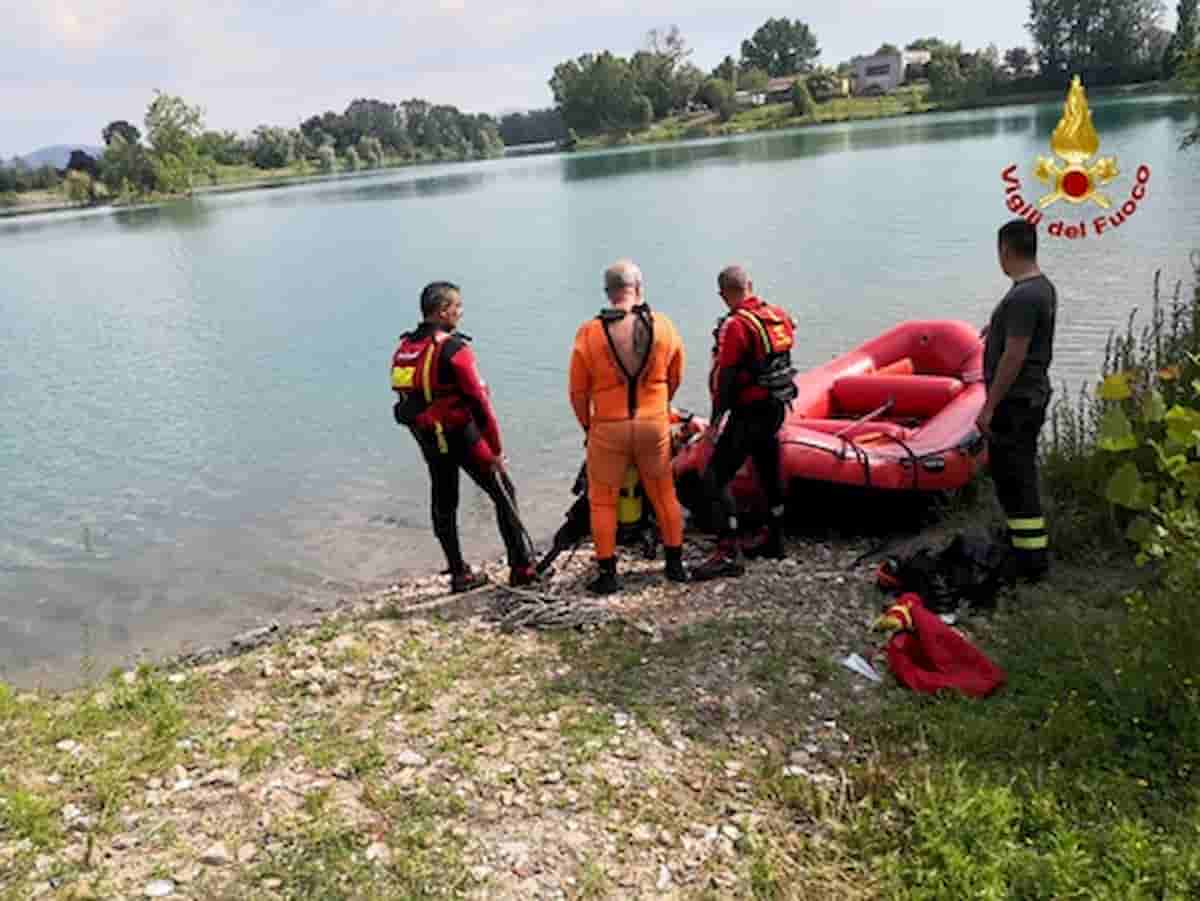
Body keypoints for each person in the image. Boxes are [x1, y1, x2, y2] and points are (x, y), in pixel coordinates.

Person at [390, 281, 536, 592]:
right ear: (443, 311)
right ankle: (521, 568)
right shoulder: (453, 348)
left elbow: (407, 399)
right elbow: (480, 403)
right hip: (461, 434)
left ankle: (459, 574)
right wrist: (495, 449)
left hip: (429, 437)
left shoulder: (405, 348)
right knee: (503, 491)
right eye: (457, 306)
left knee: (444, 500)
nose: (461, 312)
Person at [568, 260, 690, 594]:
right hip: (653, 423)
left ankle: (608, 574)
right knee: (664, 494)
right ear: (639, 287)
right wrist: (661, 404)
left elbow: (577, 393)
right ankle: (675, 566)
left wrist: (589, 428)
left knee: (603, 501)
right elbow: (676, 374)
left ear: (608, 292)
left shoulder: (590, 332)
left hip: (608, 426)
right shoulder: (664, 326)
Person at [692, 265, 797, 582]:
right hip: (776, 407)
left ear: (723, 294)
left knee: (714, 477)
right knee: (768, 468)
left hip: (749, 412)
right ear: (750, 285)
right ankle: (776, 539)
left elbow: (725, 378)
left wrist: (715, 421)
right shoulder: (778, 316)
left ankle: (728, 553)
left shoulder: (736, 325)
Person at [977, 219, 1056, 582]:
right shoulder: (1040, 288)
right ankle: (1023, 547)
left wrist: (989, 406)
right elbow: (1021, 334)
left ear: (1006, 250)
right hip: (1029, 397)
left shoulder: (1023, 297)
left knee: (1015, 478)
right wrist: (995, 329)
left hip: (1016, 402)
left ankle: (1031, 562)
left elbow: (1015, 355)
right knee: (1015, 474)